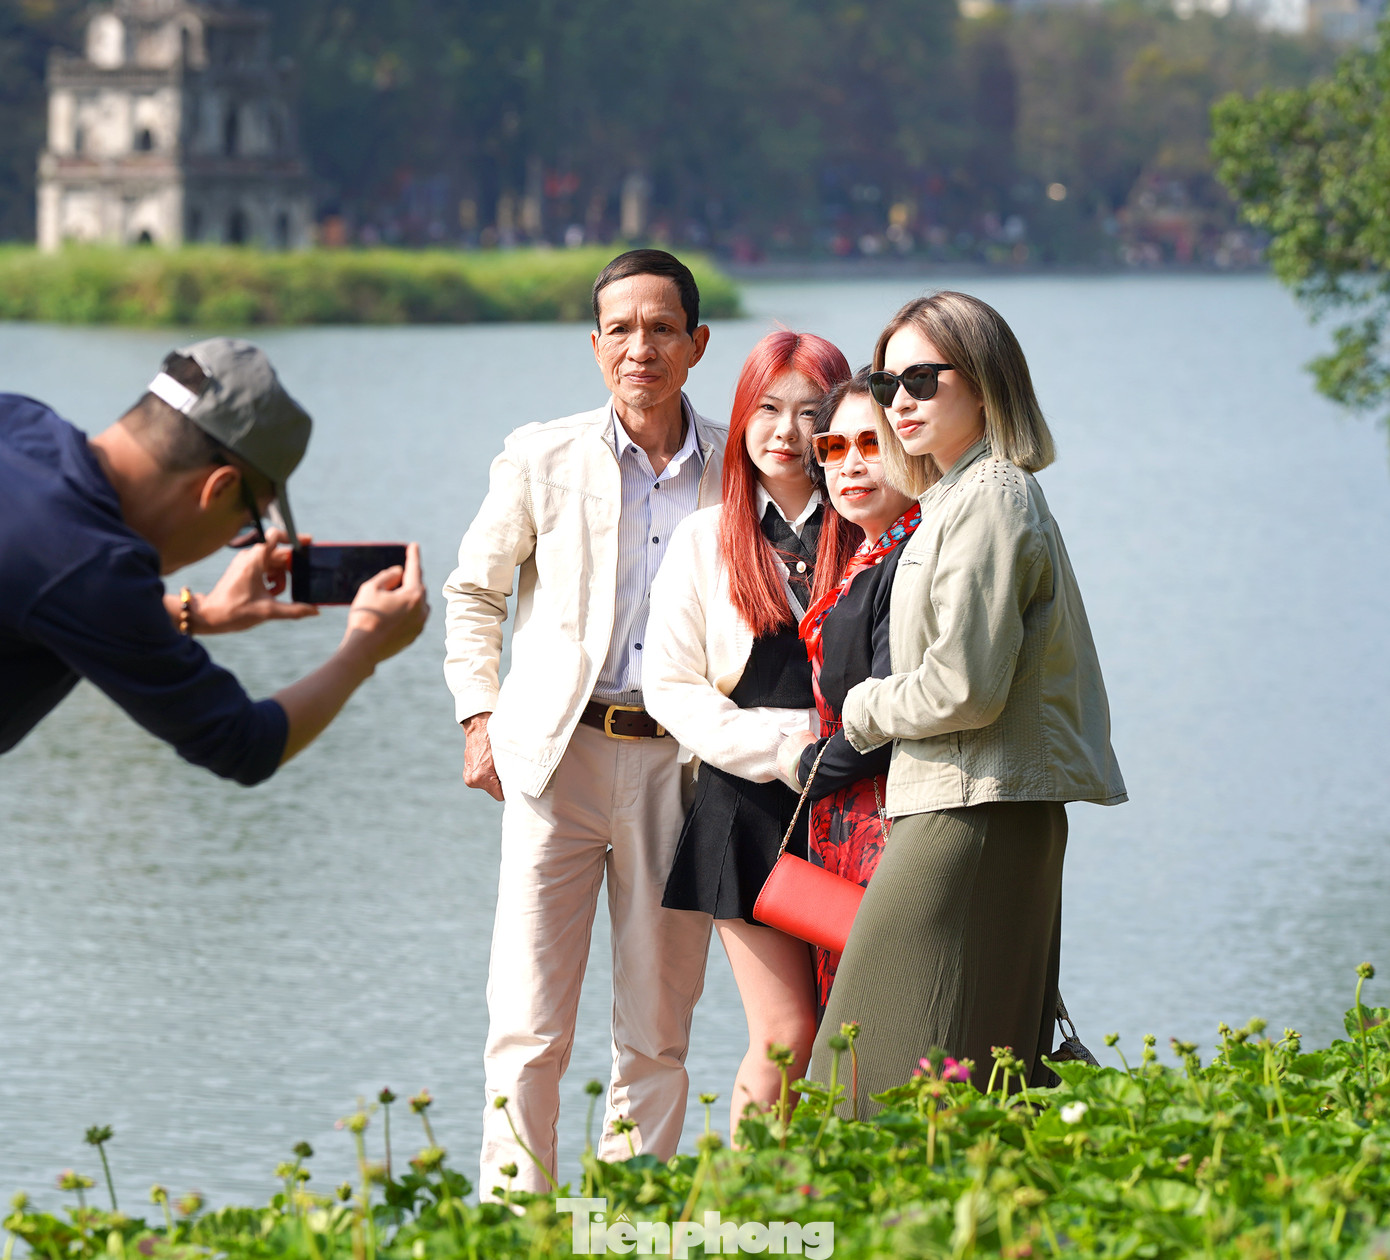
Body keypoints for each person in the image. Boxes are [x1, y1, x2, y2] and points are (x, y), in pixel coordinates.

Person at [442, 249, 724, 1198]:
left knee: (657, 1027)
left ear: (697, 343)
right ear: (595, 344)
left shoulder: (737, 469)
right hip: (555, 760)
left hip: (682, 770)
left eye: (662, 328)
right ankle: (510, 1225)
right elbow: (475, 593)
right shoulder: (543, 455)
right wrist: (478, 715)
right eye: (621, 329)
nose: (641, 347)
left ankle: (627, 1222)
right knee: (527, 1021)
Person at [804, 291, 1127, 1108]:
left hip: (974, 807)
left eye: (922, 380)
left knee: (862, 1075)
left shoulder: (991, 496)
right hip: (961, 800)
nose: (899, 403)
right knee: (953, 1077)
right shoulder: (953, 498)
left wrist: (864, 711)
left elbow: (964, 687)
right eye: (887, 385)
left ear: (983, 382)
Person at [0, 337, 428, 783]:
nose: (242, 539)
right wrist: (365, 649)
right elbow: (244, 744)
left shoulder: (17, 415)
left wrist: (198, 613)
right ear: (218, 489)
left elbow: (52, 598)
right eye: (248, 524)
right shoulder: (92, 568)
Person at [642, 330, 852, 1139]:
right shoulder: (705, 540)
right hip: (750, 811)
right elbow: (671, 689)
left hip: (856, 810)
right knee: (787, 1031)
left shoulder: (872, 530)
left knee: (853, 1028)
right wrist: (786, 751)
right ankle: (742, 1197)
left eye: (810, 412)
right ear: (740, 419)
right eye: (766, 409)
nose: (786, 432)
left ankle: (828, 1190)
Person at [774, 368, 920, 1013]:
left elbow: (889, 719)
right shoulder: (868, 558)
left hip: (890, 822)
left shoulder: (911, 559)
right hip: (845, 819)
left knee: (885, 1017)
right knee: (849, 1024)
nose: (850, 464)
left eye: (872, 444)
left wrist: (802, 764)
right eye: (833, 447)